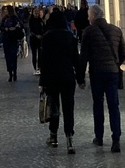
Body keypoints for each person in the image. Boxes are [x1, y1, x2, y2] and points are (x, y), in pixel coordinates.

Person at [79, 4, 125, 153]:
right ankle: (116, 139)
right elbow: (124, 53)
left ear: (93, 16)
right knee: (114, 105)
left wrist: (80, 78)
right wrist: (115, 62)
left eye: (89, 16)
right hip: (112, 72)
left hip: (97, 73)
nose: (88, 18)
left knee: (98, 104)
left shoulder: (89, 31)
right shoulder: (116, 30)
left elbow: (84, 56)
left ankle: (99, 137)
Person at [39, 10, 84, 154]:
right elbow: (76, 60)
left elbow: (43, 62)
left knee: (54, 108)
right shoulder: (70, 37)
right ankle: (69, 138)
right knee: (68, 107)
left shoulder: (46, 38)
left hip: (52, 78)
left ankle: (53, 136)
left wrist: (42, 82)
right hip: (67, 77)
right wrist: (80, 78)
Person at [0, 5, 23, 82]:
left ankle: (14, 72)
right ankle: (10, 73)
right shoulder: (4, 18)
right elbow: (0, 27)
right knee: (8, 57)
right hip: (6, 39)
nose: (5, 11)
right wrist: (5, 28)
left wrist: (15, 28)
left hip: (13, 39)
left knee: (13, 56)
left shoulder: (14, 18)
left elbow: (21, 26)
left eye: (6, 9)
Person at [28, 7, 45, 75]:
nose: (36, 13)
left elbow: (43, 28)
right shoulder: (31, 20)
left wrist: (42, 35)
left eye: (37, 11)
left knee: (40, 53)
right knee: (34, 54)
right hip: (33, 38)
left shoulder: (40, 20)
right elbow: (31, 29)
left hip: (40, 39)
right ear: (32, 12)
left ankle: (40, 67)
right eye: (35, 11)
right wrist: (36, 35)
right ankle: (35, 68)